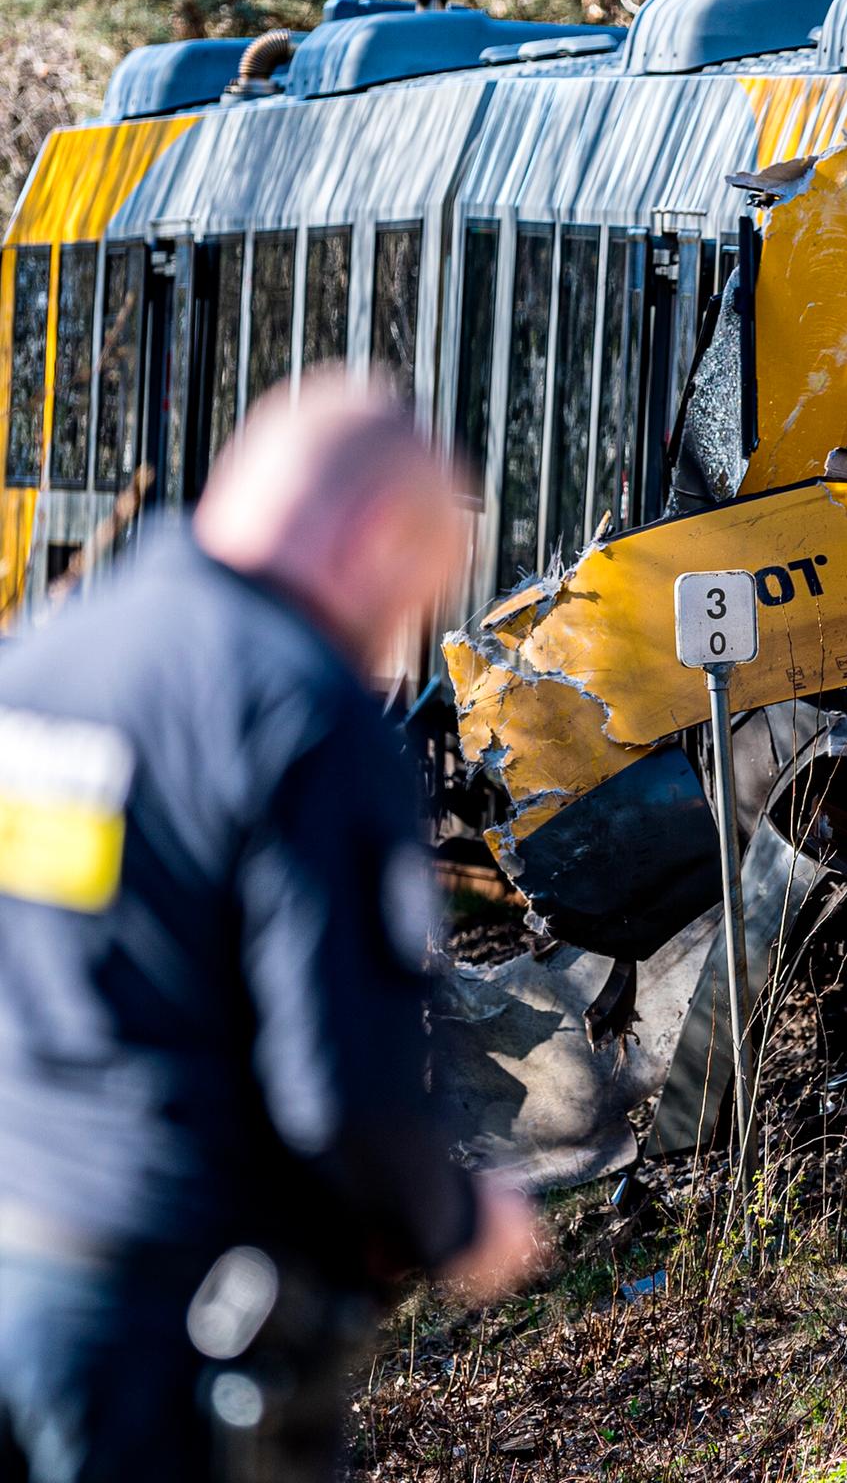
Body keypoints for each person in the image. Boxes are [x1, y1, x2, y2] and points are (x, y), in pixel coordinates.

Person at [0, 373, 543, 1483]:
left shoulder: (50, 661)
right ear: (374, 533)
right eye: (409, 596)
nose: (388, 647)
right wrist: (457, 1222)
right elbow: (338, 1088)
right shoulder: (297, 708)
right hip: (166, 1333)